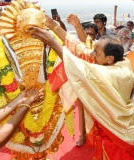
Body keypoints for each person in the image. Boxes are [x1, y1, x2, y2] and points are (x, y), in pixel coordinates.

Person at [27, 26, 134, 159]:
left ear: (109, 58)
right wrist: (54, 25)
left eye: (96, 53)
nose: (92, 54)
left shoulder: (110, 74)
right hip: (119, 128)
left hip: (121, 134)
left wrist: (53, 42)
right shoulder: (123, 62)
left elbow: (78, 68)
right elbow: (82, 50)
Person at [46, 14, 97, 146]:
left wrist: (53, 25)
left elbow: (83, 44)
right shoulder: (89, 49)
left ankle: (98, 137)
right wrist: (53, 25)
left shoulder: (100, 48)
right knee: (82, 112)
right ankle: (83, 135)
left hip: (99, 88)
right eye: (87, 32)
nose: (88, 35)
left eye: (91, 33)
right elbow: (78, 44)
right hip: (84, 83)